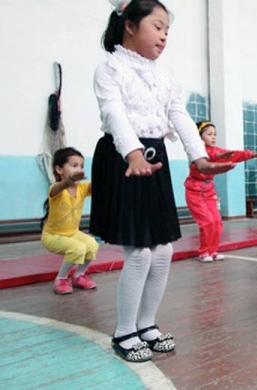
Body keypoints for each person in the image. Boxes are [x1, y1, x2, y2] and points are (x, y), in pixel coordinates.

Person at [91, 0, 235, 363]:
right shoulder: (110, 68)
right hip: (124, 159)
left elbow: (179, 115)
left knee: (164, 250)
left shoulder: (164, 75)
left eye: (167, 29)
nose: (164, 35)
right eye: (157, 26)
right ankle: (125, 333)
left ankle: (147, 325)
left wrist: (199, 156)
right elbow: (114, 114)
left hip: (153, 160)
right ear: (129, 26)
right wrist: (133, 153)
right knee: (139, 252)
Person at [185, 121, 257, 262]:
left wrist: (250, 154)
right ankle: (204, 252)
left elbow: (231, 155)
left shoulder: (215, 150)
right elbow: (215, 156)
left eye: (215, 134)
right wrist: (221, 158)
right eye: (209, 134)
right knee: (207, 222)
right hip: (194, 192)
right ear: (199, 137)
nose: (213, 137)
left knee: (217, 221)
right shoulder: (197, 152)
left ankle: (213, 251)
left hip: (209, 191)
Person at [40, 147, 99, 295]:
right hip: (52, 236)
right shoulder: (56, 188)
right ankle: (61, 279)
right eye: (74, 166)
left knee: (92, 244)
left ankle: (79, 276)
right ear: (59, 169)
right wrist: (69, 181)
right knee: (77, 248)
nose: (79, 169)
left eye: (81, 166)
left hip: (72, 233)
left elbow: (100, 186)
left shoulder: (82, 188)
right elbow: (59, 188)